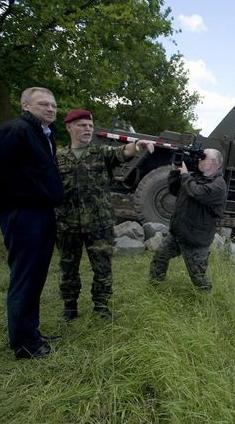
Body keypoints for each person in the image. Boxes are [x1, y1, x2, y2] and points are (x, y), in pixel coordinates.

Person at [56, 109, 155, 321]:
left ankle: (101, 307)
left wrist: (137, 145)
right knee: (67, 267)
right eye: (82, 125)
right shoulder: (59, 157)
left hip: (99, 224)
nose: (88, 129)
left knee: (102, 268)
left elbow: (123, 152)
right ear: (69, 127)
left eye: (90, 126)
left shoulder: (101, 153)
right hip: (67, 224)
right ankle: (70, 307)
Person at [0, 87, 64, 359]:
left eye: (53, 105)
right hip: (23, 214)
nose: (50, 108)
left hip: (42, 213)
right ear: (25, 106)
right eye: (43, 104)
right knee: (25, 278)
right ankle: (24, 345)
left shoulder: (45, 135)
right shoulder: (15, 131)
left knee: (36, 277)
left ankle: (31, 333)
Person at [149, 148, 227, 290]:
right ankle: (154, 287)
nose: (198, 160)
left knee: (198, 278)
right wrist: (174, 171)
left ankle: (207, 301)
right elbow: (174, 189)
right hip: (178, 233)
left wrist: (185, 175)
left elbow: (197, 193)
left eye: (202, 158)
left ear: (213, 163)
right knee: (160, 257)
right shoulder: (195, 177)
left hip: (195, 239)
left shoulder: (219, 186)